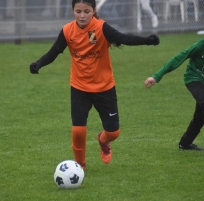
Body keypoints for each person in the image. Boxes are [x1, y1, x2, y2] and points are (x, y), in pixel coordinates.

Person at [30, 0, 160, 169]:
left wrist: (147, 40)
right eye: (78, 11)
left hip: (104, 88)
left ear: (93, 11)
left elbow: (122, 38)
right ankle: (79, 166)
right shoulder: (67, 30)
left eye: (86, 11)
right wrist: (38, 63)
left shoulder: (101, 28)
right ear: (72, 11)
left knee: (113, 132)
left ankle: (103, 140)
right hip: (79, 88)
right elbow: (54, 52)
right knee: (78, 131)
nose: (82, 15)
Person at [144, 13, 204, 157]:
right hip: (193, 78)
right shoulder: (201, 45)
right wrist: (156, 76)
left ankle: (185, 143)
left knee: (201, 115)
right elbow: (179, 58)